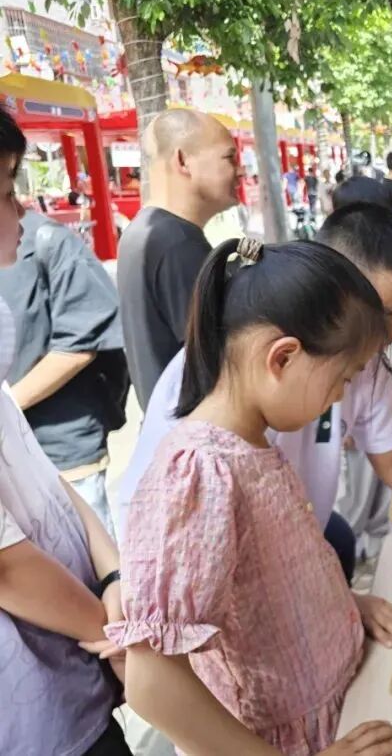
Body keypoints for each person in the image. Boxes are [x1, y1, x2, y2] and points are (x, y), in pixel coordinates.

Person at [107, 237, 392, 755]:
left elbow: (267, 587)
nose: (340, 396)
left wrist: (343, 606)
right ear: (283, 357)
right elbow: (153, 681)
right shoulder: (200, 475)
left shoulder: (251, 445)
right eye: (341, 378)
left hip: (335, 708)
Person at [116, 203, 392, 573]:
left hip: (296, 549)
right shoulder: (207, 421)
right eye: (383, 315)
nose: (390, 335)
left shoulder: (366, 364)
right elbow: (190, 567)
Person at [0, 104, 131, 755]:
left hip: (74, 677)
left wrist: (112, 578)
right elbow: (8, 569)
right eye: (4, 194)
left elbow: (38, 472)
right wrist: (114, 639)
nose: (20, 214)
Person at [0, 205, 129, 536]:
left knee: (86, 556)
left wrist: (8, 406)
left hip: (61, 450)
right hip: (8, 460)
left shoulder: (47, 241)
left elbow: (78, 344)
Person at [117, 108, 242, 408]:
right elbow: (219, 360)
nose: (240, 171)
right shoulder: (177, 243)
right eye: (229, 158)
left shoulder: (145, 231)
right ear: (183, 161)